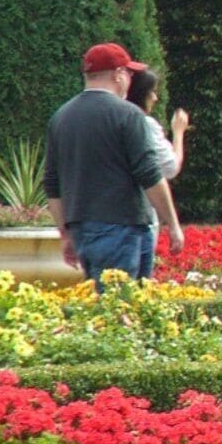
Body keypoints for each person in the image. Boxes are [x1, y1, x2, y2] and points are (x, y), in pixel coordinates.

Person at [43, 42, 171, 281]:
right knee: (121, 308)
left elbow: (52, 183)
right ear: (118, 74)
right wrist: (173, 224)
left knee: (107, 306)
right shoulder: (128, 114)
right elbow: (150, 174)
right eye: (130, 73)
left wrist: (66, 234)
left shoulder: (61, 117)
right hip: (123, 226)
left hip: (82, 225)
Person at [124, 62, 194, 256]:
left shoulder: (108, 118)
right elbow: (170, 167)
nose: (155, 98)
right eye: (152, 92)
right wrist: (178, 133)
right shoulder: (145, 124)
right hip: (138, 216)